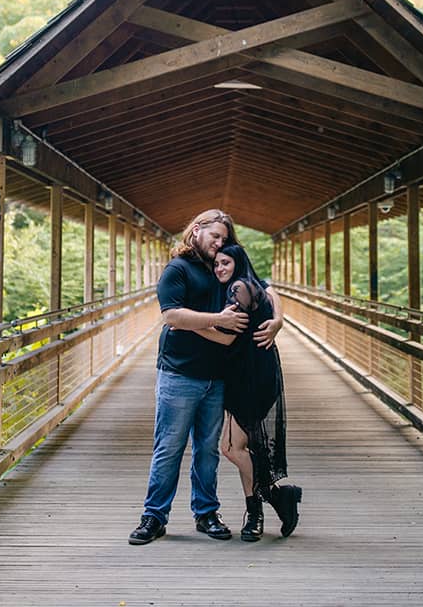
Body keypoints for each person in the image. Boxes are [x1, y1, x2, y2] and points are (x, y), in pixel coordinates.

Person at [128, 209, 248, 545]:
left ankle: (206, 513)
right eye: (215, 236)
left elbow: (262, 291)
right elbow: (172, 315)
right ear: (196, 230)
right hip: (179, 373)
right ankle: (154, 516)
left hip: (217, 376)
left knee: (207, 450)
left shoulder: (225, 270)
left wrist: (277, 321)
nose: (220, 243)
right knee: (169, 446)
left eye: (225, 239)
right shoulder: (177, 269)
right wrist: (217, 321)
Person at [202, 244, 301, 541]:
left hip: (250, 378)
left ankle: (274, 495)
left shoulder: (239, 288)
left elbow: (227, 338)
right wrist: (279, 319)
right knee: (246, 447)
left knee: (231, 448)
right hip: (253, 375)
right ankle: (255, 512)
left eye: (225, 263)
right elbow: (271, 291)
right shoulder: (253, 284)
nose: (220, 268)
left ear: (238, 263)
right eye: (216, 264)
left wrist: (186, 326)